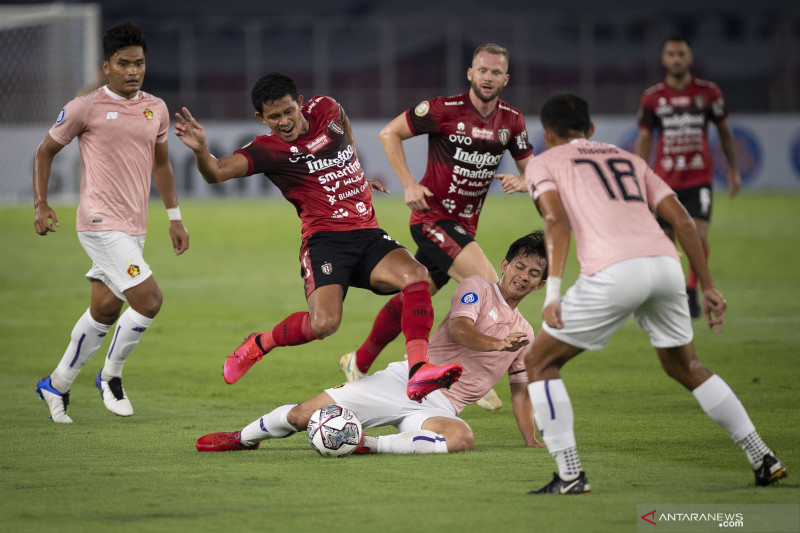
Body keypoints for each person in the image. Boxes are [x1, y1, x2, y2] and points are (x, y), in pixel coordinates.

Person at [523, 92, 786, 494]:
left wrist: (553, 292)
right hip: (666, 266)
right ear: (591, 129)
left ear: (547, 133)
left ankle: (570, 473)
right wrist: (709, 286)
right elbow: (681, 217)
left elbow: (556, 220)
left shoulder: (544, 161)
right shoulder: (628, 159)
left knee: (539, 363)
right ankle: (762, 456)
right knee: (686, 365)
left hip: (613, 270)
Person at [173, 73, 460, 402]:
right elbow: (218, 172)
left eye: (288, 111)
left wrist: (357, 168)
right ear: (260, 118)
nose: (283, 122)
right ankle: (259, 344)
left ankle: (418, 369)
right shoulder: (268, 150)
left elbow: (344, 121)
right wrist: (200, 151)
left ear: (301, 102)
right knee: (324, 325)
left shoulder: (326, 108)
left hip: (367, 234)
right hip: (325, 243)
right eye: (273, 117)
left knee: (417, 275)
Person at [195, 232, 548, 454]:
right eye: (519, 266)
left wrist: (531, 439)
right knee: (304, 415)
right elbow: (459, 330)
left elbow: (521, 391)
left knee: (462, 439)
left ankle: (367, 444)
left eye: (534, 274)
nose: (523, 276)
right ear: (504, 265)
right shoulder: (478, 288)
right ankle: (240, 438)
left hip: (441, 409)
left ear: (540, 285)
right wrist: (498, 345)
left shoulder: (526, 334)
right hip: (403, 382)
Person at [338, 43, 534, 412]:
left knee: (415, 296)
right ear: (470, 74)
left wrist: (524, 182)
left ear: (505, 79)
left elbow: (532, 169)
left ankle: (358, 362)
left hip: (464, 228)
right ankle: (472, 369)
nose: (488, 77)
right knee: (491, 284)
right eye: (482, 70)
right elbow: (388, 134)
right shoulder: (443, 110)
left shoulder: (512, 120)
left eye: (495, 72)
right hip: (432, 219)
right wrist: (410, 183)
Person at [33, 22, 190, 423]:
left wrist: (174, 217)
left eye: (139, 63)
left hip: (135, 226)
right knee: (149, 300)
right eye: (123, 63)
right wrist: (41, 203)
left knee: (104, 310)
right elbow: (45, 151)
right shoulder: (85, 107)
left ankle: (57, 383)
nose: (133, 71)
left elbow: (162, 165)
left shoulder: (155, 107)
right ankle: (110, 376)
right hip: (99, 222)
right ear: (107, 66)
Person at [634, 36, 742, 318]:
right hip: (664, 181)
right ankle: (673, 294)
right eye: (671, 54)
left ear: (690, 57)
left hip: (698, 178)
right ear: (664, 59)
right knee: (666, 245)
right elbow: (644, 139)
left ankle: (693, 292)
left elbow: (725, 133)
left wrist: (732, 169)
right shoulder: (652, 97)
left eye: (681, 53)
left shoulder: (708, 92)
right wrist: (638, 176)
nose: (676, 59)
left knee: (698, 235)